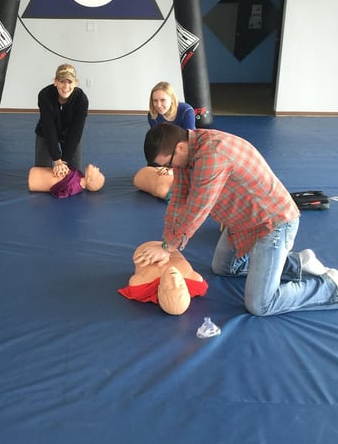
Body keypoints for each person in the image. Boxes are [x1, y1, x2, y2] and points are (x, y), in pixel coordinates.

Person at [137, 123, 338, 317]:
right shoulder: (187, 153)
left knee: (260, 304)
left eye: (168, 164)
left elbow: (196, 209)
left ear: (180, 147)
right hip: (243, 222)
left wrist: (168, 247)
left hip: (273, 223)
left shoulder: (212, 155)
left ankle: (330, 287)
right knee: (224, 267)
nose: (169, 168)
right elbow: (178, 199)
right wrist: (166, 241)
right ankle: (298, 263)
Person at [119, 241, 208, 315]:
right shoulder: (196, 281)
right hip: (173, 243)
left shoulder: (141, 285)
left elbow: (134, 282)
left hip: (148, 248)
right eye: (181, 286)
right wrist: (166, 247)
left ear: (160, 289)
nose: (174, 278)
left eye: (169, 287)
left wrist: (165, 248)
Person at [35, 63, 89, 177]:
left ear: (76, 83)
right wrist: (57, 159)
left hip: (70, 134)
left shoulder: (81, 99)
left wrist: (64, 161)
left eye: (70, 82)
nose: (66, 87)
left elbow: (76, 131)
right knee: (41, 172)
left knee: (74, 174)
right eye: (62, 81)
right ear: (55, 82)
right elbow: (48, 127)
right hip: (46, 133)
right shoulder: (44, 95)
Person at [28, 163, 105, 198]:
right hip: (41, 174)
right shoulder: (79, 175)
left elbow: (62, 193)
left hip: (37, 181)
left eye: (98, 173)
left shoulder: (75, 187)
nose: (98, 168)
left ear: (89, 180)